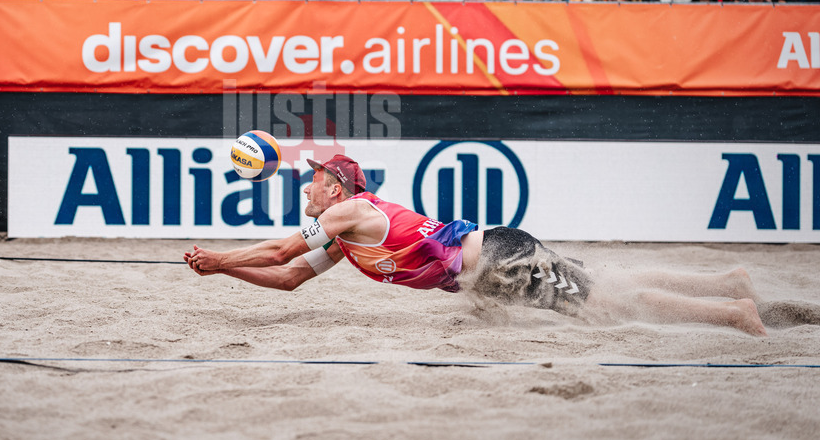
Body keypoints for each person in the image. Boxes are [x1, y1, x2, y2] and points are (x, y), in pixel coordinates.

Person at [185, 155, 769, 336]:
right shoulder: (346, 240)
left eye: (312, 177)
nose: (303, 184)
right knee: (610, 292)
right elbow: (289, 279)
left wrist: (219, 258)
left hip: (499, 258)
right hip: (496, 265)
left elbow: (283, 253)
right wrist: (222, 272)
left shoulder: (347, 211)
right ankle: (729, 286)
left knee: (608, 306)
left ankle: (733, 315)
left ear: (337, 185)